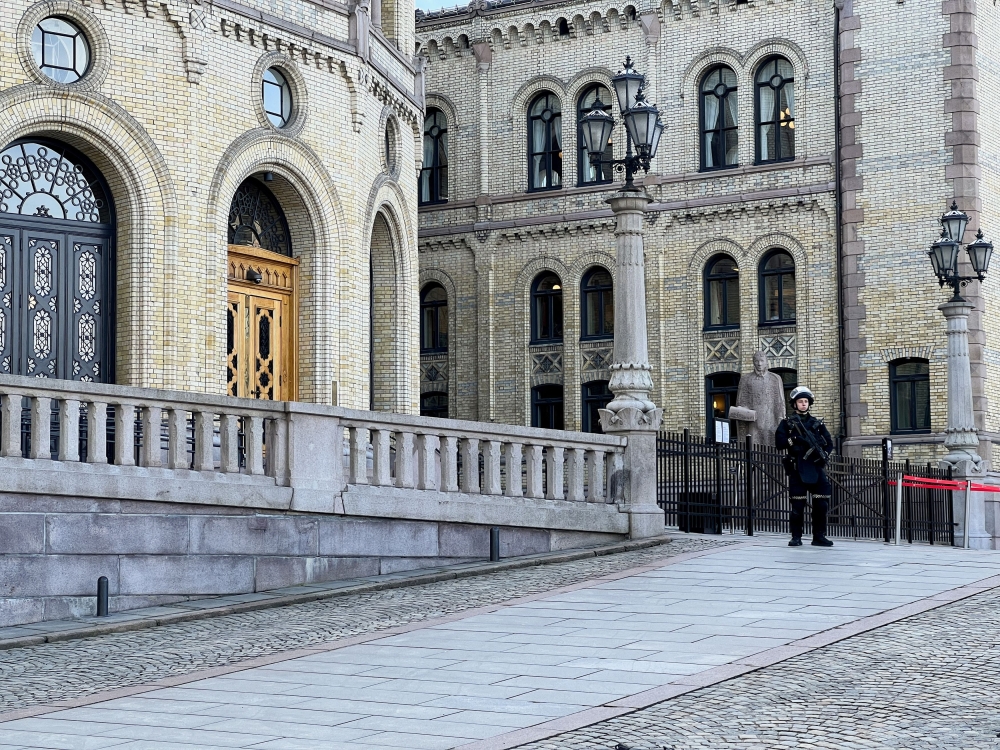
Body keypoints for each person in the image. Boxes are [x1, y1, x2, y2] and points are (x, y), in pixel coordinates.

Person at [775, 386, 835, 547]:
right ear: (794, 404)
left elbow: (829, 443)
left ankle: (819, 536)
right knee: (797, 506)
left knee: (821, 504)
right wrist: (793, 439)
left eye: (805, 401)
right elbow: (779, 443)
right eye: (800, 401)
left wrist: (824, 455)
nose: (803, 404)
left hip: (815, 467)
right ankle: (796, 537)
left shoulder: (817, 424)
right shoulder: (787, 424)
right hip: (797, 467)